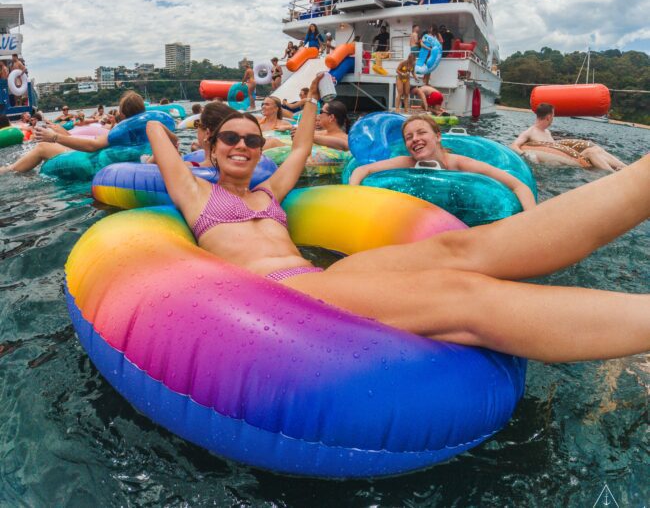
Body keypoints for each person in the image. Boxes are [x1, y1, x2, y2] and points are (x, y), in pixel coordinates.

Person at [146, 74, 650, 363]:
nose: (242, 145)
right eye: (230, 139)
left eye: (251, 140)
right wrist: (167, 124)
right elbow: (155, 134)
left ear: (259, 152)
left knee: (458, 251)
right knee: (462, 297)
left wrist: (309, 102)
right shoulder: (195, 193)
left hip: (323, 279)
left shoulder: (269, 191)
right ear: (212, 147)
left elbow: (301, 146)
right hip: (278, 296)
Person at [349, 115, 536, 210]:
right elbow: (363, 170)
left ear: (438, 136)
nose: (415, 139)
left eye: (421, 133)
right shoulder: (406, 162)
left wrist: (530, 220)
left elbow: (519, 186)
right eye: (409, 137)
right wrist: (354, 196)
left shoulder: (460, 164)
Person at [0, 91, 174, 174]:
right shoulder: (151, 131)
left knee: (42, 148)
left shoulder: (120, 131)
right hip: (111, 160)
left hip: (95, 163)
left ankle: (8, 170)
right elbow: (170, 146)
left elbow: (92, 146)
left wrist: (54, 137)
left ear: (122, 114)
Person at [511, 104, 626, 172]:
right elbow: (514, 145)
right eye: (553, 115)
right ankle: (613, 173)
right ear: (549, 116)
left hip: (561, 161)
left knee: (594, 149)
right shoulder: (530, 131)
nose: (553, 118)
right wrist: (525, 155)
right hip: (554, 165)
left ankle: (624, 167)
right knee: (591, 154)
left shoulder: (547, 132)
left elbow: (556, 148)